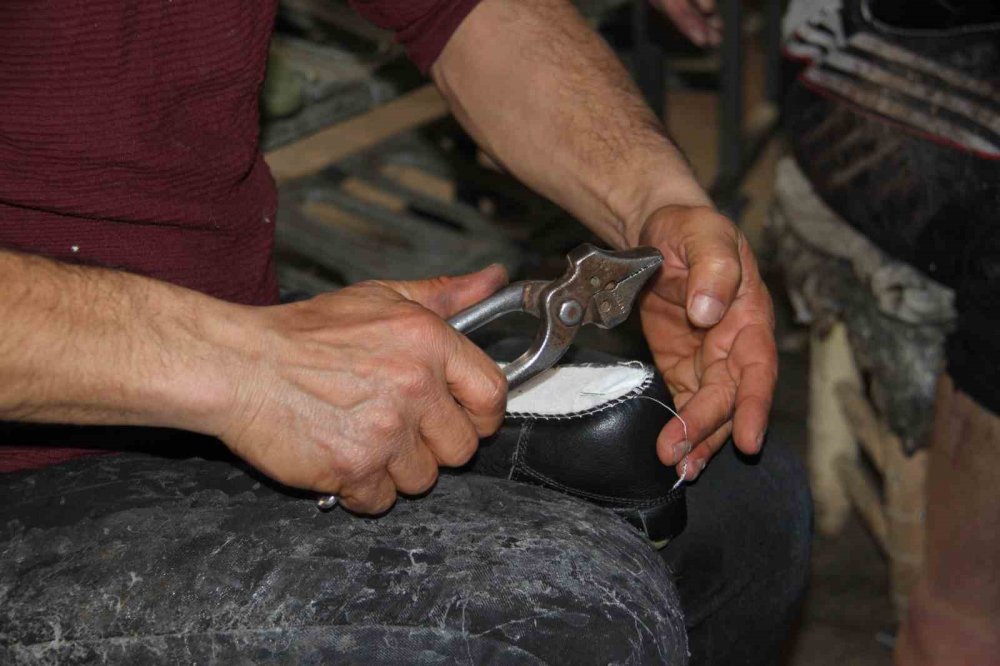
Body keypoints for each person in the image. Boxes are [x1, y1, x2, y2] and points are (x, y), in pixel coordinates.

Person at [0, 1, 809, 663]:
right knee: (558, 625)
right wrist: (239, 364)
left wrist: (654, 201)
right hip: (42, 440)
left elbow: (462, 12)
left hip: (231, 347)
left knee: (746, 507)